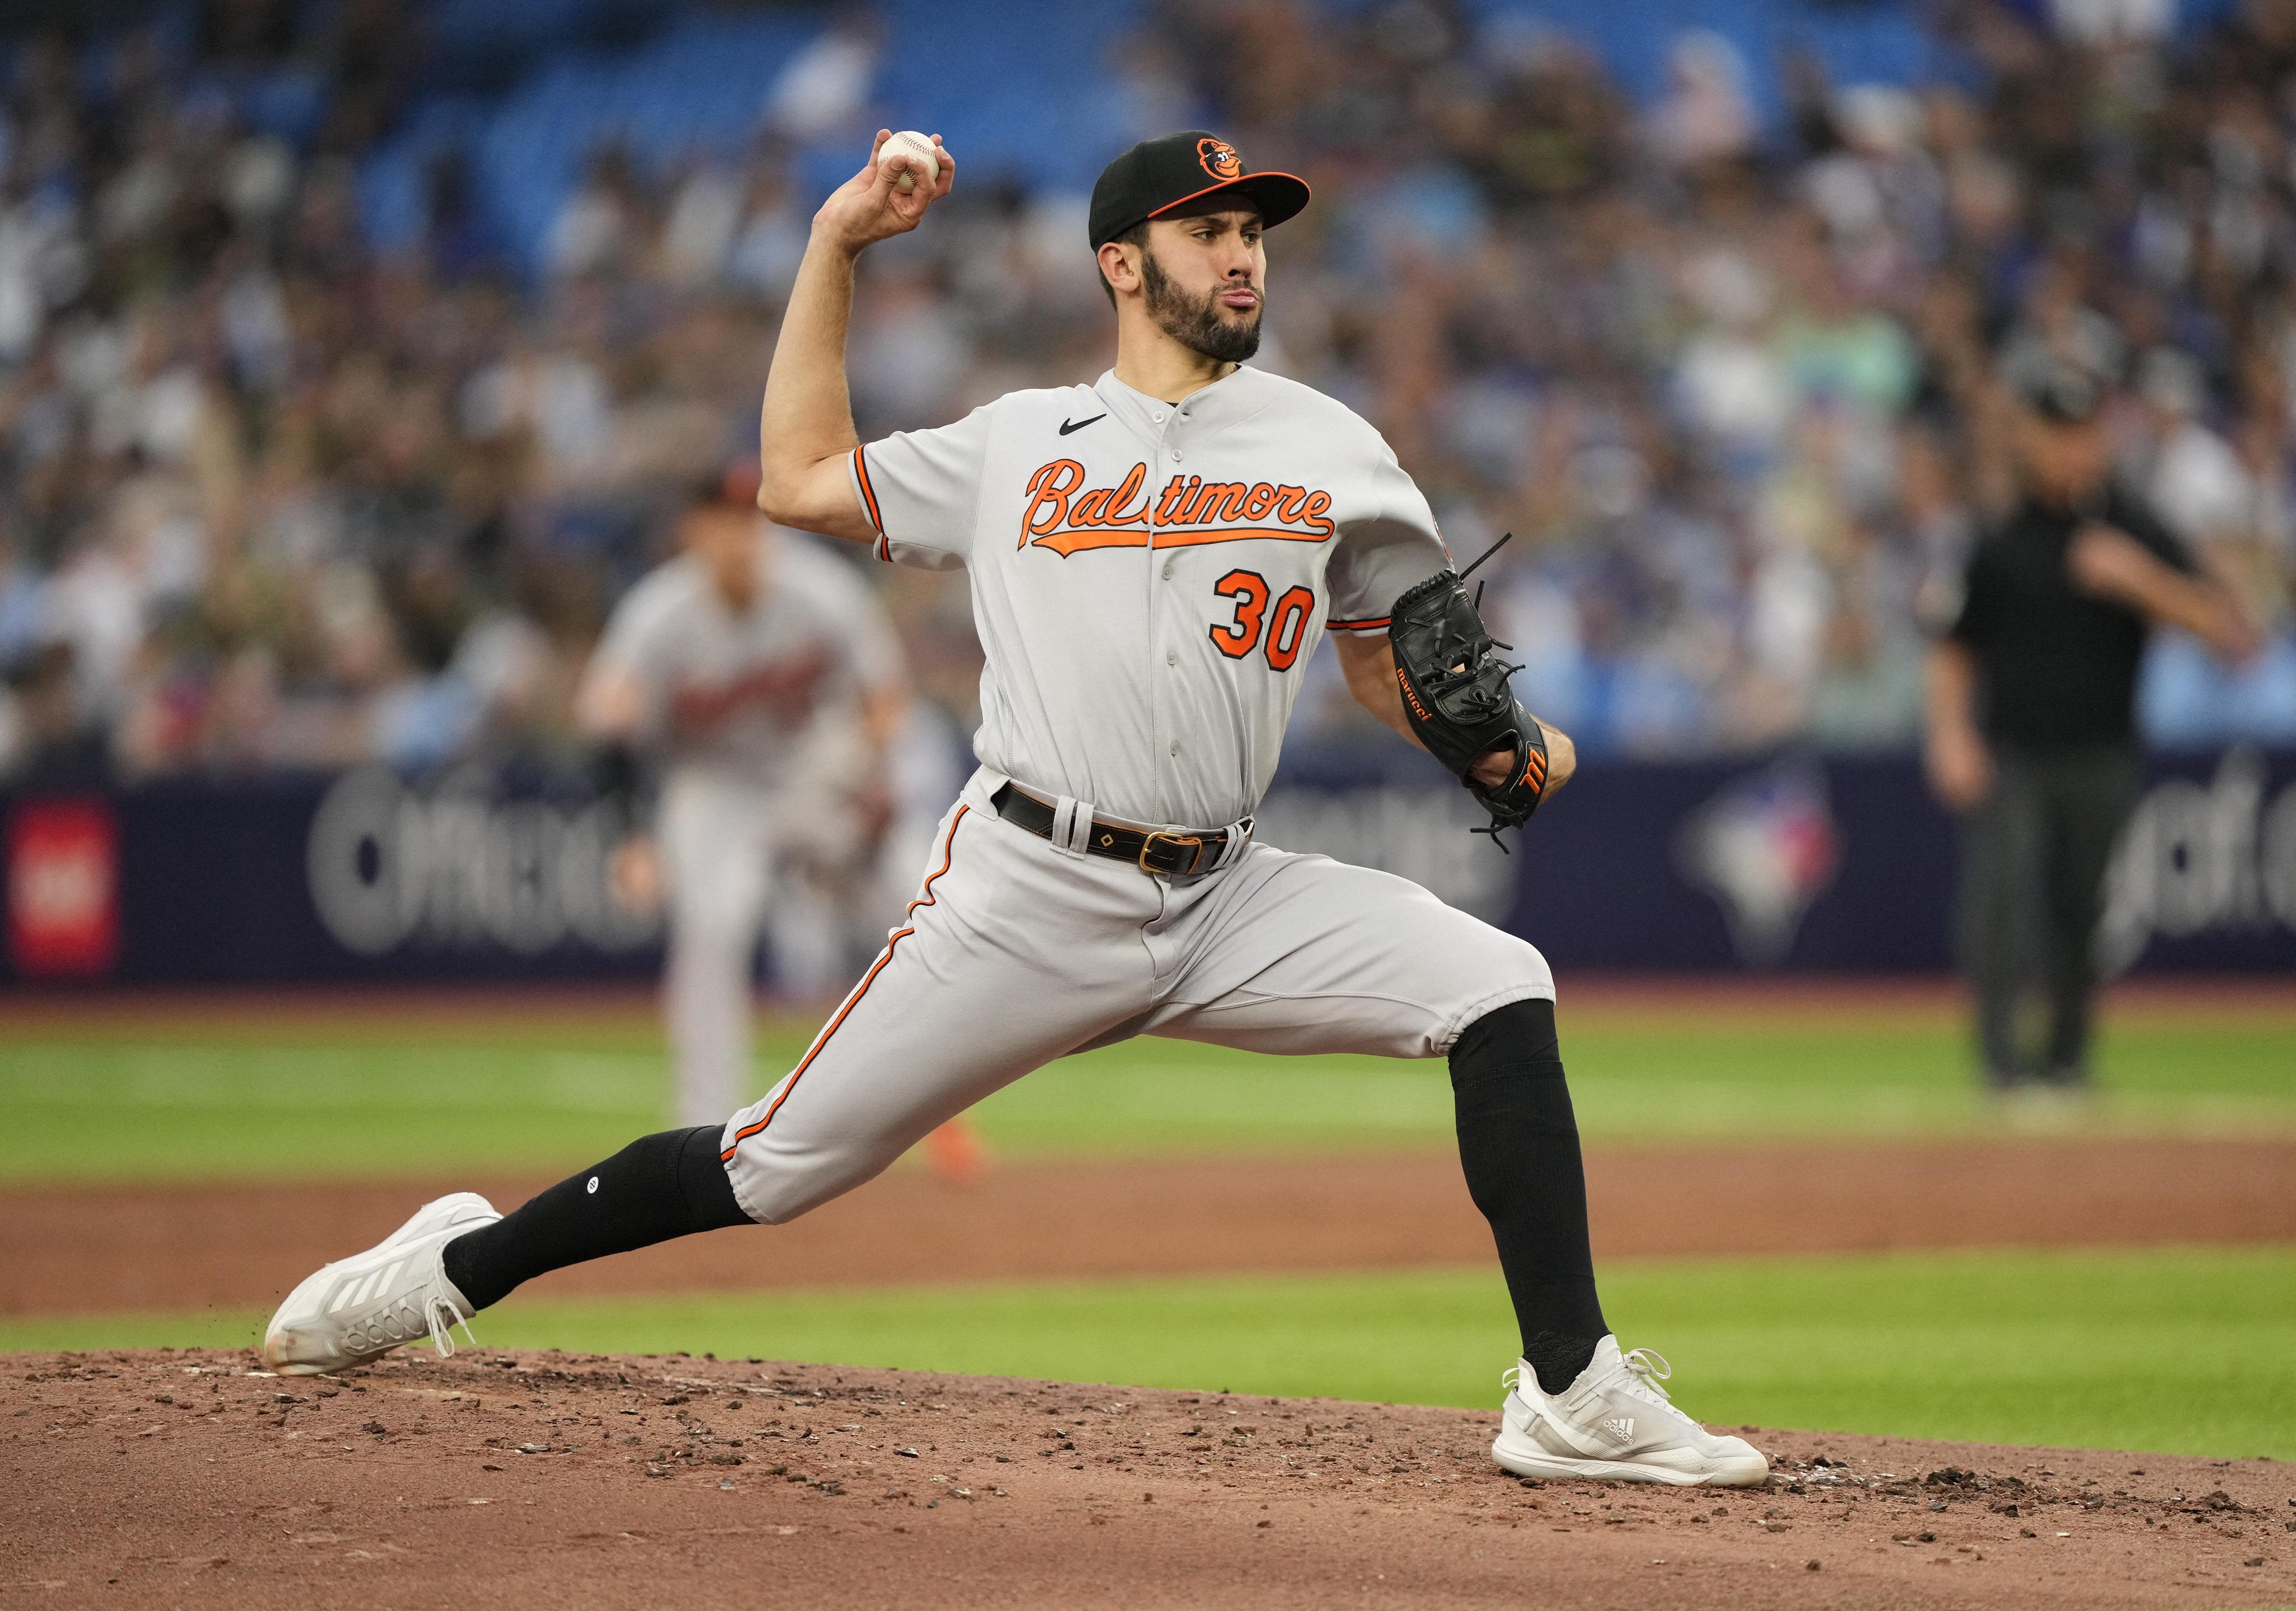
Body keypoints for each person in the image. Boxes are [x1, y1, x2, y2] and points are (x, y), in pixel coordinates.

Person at [262, 129, 1770, 1489]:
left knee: (1499, 984)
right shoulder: (1017, 445)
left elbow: (1401, 675)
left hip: (1227, 896)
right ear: (1124, 264)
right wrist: (834, 246)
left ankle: (1568, 1388)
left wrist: (1515, 748)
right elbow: (792, 476)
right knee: (767, 1168)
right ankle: (456, 1266)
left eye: (1256, 228)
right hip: (1031, 890)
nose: (1243, 250)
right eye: (1207, 227)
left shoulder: (1333, 450)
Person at [1925, 362, 2257, 1091]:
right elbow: (1955, 648)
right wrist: (1950, 734)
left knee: (2082, 909)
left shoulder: (2134, 522)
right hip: (2014, 748)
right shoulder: (2001, 537)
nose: (2074, 449)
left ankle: (2068, 1059)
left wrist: (2140, 580)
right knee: (2003, 904)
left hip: (2101, 749)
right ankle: (2003, 1064)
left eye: (2085, 433)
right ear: (2030, 439)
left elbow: (2229, 633)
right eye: (2059, 433)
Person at [577, 467, 910, 1128]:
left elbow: (882, 696)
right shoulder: (658, 614)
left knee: (913, 891)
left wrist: (875, 781)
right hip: (714, 784)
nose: (741, 534)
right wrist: (631, 837)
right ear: (691, 532)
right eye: (723, 519)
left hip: (811, 767)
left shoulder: (819, 588)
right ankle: (702, 1123)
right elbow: (608, 726)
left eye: (749, 517)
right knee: (713, 925)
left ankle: (919, 1080)